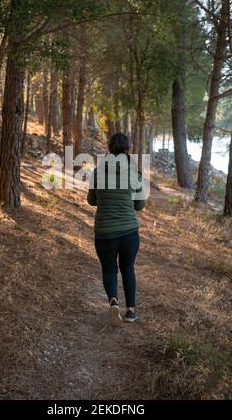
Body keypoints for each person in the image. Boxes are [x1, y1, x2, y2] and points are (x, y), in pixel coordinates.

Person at [87, 133, 146, 325]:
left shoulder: (97, 172)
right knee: (128, 268)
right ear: (128, 149)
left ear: (109, 149)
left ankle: (113, 301)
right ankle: (130, 311)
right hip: (129, 231)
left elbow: (91, 201)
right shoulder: (135, 173)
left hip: (104, 232)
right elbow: (139, 206)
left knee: (109, 269)